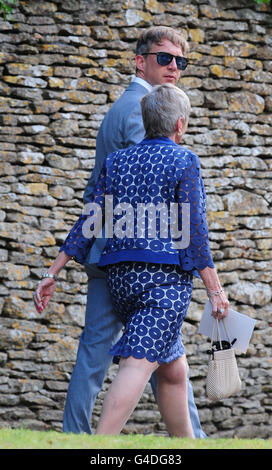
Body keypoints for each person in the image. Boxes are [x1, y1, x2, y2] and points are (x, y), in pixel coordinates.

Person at [34, 26, 206, 437]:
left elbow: (103, 195)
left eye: (180, 62)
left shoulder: (124, 105)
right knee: (144, 353)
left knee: (133, 354)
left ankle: (78, 436)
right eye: (165, 58)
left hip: (106, 252)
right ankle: (175, 439)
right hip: (133, 258)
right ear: (140, 60)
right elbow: (142, 190)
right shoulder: (140, 110)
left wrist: (58, 266)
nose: (174, 68)